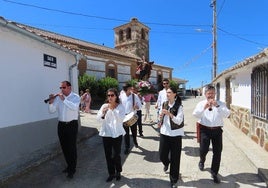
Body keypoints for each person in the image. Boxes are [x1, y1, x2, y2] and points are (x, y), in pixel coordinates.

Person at [192, 84, 230, 184]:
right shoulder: (201, 103)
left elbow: (227, 114)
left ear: (215, 94)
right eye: (208, 93)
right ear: (205, 94)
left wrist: (217, 106)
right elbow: (195, 114)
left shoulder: (220, 103)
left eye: (212, 93)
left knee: (217, 152)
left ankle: (214, 173)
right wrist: (204, 108)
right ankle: (202, 160)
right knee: (203, 149)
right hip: (205, 130)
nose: (210, 95)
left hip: (217, 131)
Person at [48, 80, 80, 179]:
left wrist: (64, 100)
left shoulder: (75, 97)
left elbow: (74, 107)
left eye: (64, 87)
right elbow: (52, 111)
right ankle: (69, 165)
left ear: (69, 88)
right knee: (64, 147)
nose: (62, 89)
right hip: (61, 125)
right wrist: (51, 102)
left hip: (71, 125)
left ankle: (72, 169)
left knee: (71, 147)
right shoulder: (58, 98)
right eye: (61, 88)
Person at [97, 88, 125, 182]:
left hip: (117, 134)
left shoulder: (120, 107)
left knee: (116, 155)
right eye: (108, 95)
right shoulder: (104, 106)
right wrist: (103, 113)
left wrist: (113, 108)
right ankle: (111, 173)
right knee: (108, 155)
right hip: (106, 134)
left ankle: (118, 171)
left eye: (112, 95)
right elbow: (98, 119)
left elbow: (121, 119)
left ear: (116, 96)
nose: (110, 97)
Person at [158, 86, 184, 188]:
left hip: (176, 135)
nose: (167, 94)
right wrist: (160, 120)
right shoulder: (164, 104)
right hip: (164, 133)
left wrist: (170, 114)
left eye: (169, 92)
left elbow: (179, 121)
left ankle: (174, 180)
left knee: (175, 158)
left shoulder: (179, 106)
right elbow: (161, 116)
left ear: (174, 94)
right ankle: (166, 162)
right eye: (167, 92)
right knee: (162, 155)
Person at [119, 83, 142, 155]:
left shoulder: (134, 96)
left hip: (132, 116)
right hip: (124, 117)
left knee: (134, 131)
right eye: (128, 89)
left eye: (129, 89)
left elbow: (140, 106)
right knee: (126, 134)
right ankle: (127, 147)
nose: (130, 90)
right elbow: (119, 106)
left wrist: (137, 107)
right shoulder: (121, 96)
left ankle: (135, 141)